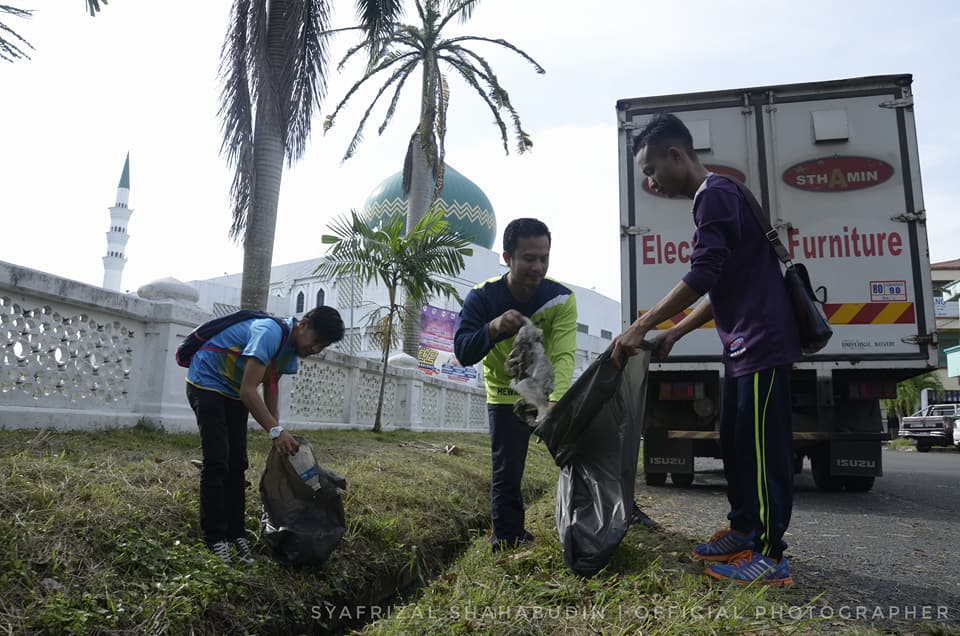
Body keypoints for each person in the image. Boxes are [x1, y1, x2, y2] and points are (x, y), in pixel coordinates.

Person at [611, 113, 801, 586]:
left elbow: (701, 274)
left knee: (762, 454)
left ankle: (772, 555)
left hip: (761, 345)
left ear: (677, 155)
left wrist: (642, 326)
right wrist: (675, 332)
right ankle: (743, 531)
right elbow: (721, 287)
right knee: (737, 446)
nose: (651, 182)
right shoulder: (713, 196)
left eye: (652, 170)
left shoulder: (714, 194)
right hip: (739, 348)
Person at [454, 218, 578, 552]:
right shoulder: (481, 298)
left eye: (543, 257)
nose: (537, 267)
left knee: (580, 457)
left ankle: (602, 521)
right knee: (507, 474)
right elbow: (463, 351)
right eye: (528, 258)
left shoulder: (562, 299)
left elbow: (565, 354)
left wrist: (556, 401)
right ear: (507, 257)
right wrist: (493, 327)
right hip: (506, 397)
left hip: (548, 395)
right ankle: (508, 540)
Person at [185, 306, 344, 564]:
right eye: (315, 341)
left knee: (237, 463)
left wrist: (277, 428)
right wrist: (274, 431)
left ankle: (236, 534)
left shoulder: (290, 348)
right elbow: (249, 391)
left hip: (232, 390)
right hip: (207, 381)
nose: (315, 350)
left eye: (321, 347)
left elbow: (270, 384)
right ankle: (215, 538)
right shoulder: (270, 332)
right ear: (303, 324)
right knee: (217, 461)